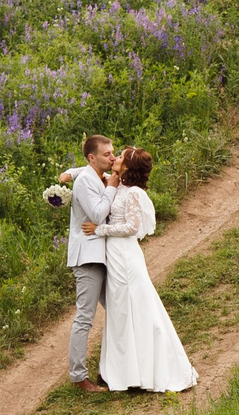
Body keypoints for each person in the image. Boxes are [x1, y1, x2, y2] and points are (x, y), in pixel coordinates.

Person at [87, 146, 198, 394]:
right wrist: (68, 176)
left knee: (133, 306)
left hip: (125, 255)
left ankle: (142, 371)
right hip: (114, 255)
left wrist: (99, 229)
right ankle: (122, 369)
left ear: (127, 166)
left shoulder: (134, 193)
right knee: (119, 309)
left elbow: (131, 226)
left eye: (121, 157)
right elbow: (89, 172)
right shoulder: (118, 186)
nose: (115, 158)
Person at [58, 135, 119, 393]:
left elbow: (83, 170)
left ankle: (110, 368)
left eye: (113, 153)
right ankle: (78, 376)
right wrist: (112, 186)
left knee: (118, 310)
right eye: (107, 154)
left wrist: (70, 172)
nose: (113, 157)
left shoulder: (90, 174)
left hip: (101, 255)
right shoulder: (86, 180)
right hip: (87, 257)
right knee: (85, 317)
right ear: (92, 158)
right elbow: (96, 214)